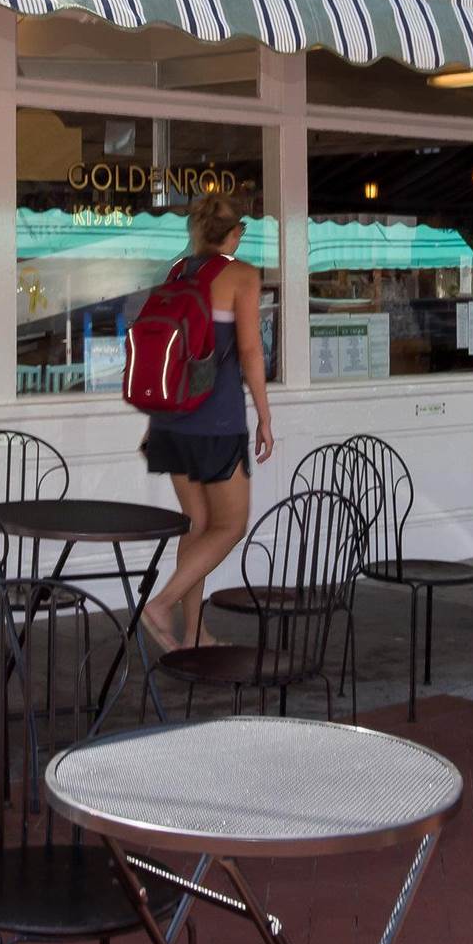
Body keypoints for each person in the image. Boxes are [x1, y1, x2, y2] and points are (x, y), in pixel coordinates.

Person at [135, 193, 276, 655]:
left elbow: (166, 355)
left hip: (169, 422)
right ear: (234, 233)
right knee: (230, 525)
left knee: (197, 526)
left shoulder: (177, 272)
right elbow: (250, 352)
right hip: (216, 421)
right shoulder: (241, 275)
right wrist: (264, 417)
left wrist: (154, 422)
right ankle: (162, 606)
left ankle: (193, 633)